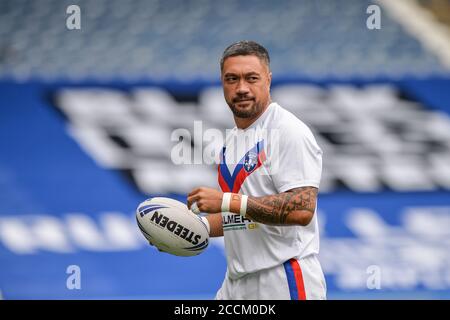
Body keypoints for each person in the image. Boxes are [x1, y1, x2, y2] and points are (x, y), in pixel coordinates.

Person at [189, 40, 326, 300]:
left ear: (268, 80)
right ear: (222, 83)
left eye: (252, 78)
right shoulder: (233, 140)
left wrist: (226, 200)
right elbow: (244, 217)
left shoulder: (288, 131)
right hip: (237, 282)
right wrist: (196, 228)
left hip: (283, 279)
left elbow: (302, 209)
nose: (242, 88)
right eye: (232, 79)